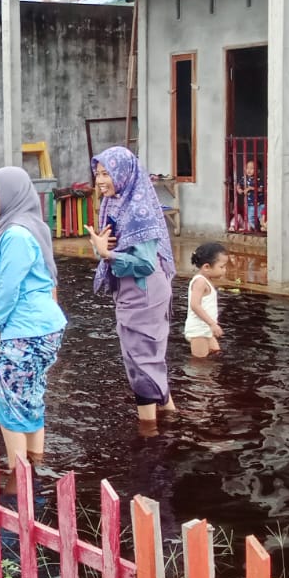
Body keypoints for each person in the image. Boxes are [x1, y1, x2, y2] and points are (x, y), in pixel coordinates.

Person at [0, 167, 66, 480]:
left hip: (24, 330)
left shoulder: (15, 234)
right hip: (43, 328)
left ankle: (18, 480)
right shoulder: (30, 225)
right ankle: (37, 469)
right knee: (29, 397)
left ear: (12, 194)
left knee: (9, 404)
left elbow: (7, 288)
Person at [86, 146, 177, 424]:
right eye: (98, 173)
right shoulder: (113, 203)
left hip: (145, 291)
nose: (100, 180)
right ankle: (171, 418)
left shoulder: (139, 210)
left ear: (123, 174)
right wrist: (101, 248)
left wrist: (107, 254)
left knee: (142, 362)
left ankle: (149, 435)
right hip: (128, 290)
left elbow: (146, 263)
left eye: (107, 173)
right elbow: (108, 245)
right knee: (142, 359)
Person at [185, 242, 229, 359]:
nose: (224, 270)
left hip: (206, 328)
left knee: (216, 353)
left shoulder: (206, 280)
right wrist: (212, 324)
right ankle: (193, 376)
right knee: (200, 363)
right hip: (198, 329)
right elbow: (195, 305)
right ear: (206, 267)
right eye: (221, 267)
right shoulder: (200, 282)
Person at [236, 158, 264, 231]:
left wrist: (251, 188)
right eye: (247, 167)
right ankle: (257, 231)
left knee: (261, 218)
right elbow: (238, 184)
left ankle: (264, 229)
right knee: (251, 219)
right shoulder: (244, 178)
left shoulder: (258, 180)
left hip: (260, 204)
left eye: (252, 168)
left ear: (258, 171)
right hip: (250, 205)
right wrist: (239, 189)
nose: (249, 170)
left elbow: (261, 189)